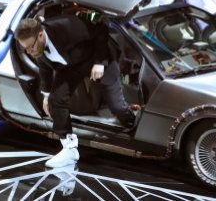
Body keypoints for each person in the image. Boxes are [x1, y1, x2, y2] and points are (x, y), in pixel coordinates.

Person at [14, 15, 135, 168]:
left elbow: (100, 32)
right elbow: (44, 67)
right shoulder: (35, 47)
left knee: (116, 105)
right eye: (25, 49)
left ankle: (131, 123)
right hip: (70, 66)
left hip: (95, 57)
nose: (30, 52)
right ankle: (69, 149)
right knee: (55, 100)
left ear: (40, 34)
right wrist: (46, 95)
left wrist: (99, 63)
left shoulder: (67, 25)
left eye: (31, 47)